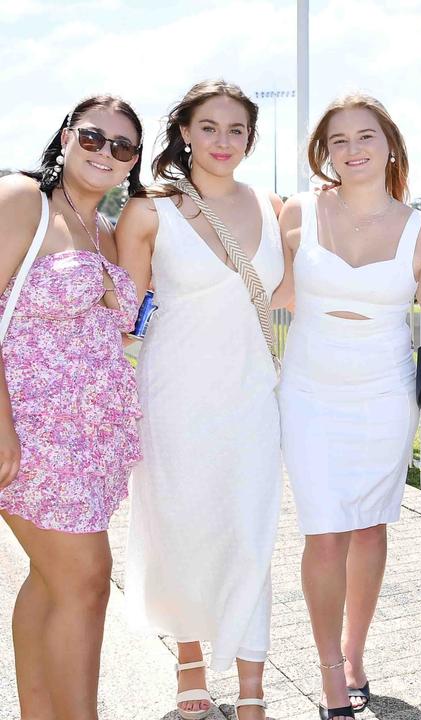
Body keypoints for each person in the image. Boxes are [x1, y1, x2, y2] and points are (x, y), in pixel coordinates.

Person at [276, 93, 421, 719]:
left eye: (365, 136)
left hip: (384, 393)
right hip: (310, 393)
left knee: (370, 526)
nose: (353, 150)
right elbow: (270, 288)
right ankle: (327, 672)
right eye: (339, 139)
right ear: (325, 151)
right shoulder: (298, 210)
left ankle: (355, 656)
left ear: (389, 145)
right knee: (324, 533)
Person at [116, 79, 283, 720]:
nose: (221, 141)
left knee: (251, 534)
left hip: (250, 398)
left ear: (249, 139)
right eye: (208, 127)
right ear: (184, 132)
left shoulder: (271, 206)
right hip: (175, 394)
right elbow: (126, 315)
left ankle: (251, 690)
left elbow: (295, 289)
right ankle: (190, 670)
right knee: (184, 529)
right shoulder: (148, 211)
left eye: (235, 130)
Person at [0, 96, 144, 719]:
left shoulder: (105, 229)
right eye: (93, 136)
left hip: (92, 448)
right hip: (34, 440)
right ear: (64, 136)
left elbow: (128, 325)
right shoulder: (23, 201)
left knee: (51, 579)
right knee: (86, 581)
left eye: (122, 146)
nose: (104, 152)